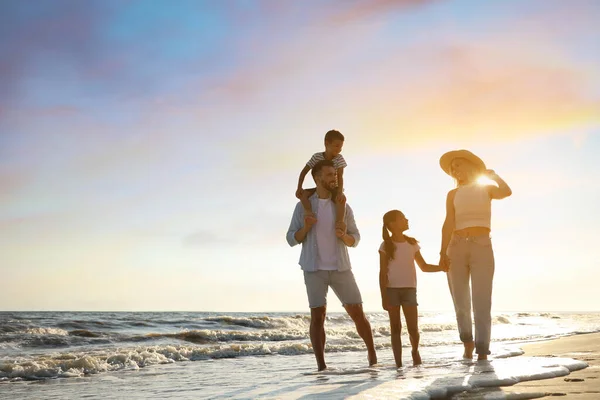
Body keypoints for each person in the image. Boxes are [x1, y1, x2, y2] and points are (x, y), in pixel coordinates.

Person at [287, 159, 377, 371]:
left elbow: (355, 238)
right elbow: (291, 238)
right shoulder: (303, 207)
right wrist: (306, 228)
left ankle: (372, 356)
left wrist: (343, 236)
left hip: (341, 268)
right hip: (313, 269)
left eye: (335, 175)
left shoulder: (343, 206)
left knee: (357, 313)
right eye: (329, 175)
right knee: (318, 317)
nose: (333, 179)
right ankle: (321, 367)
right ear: (317, 178)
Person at [438, 149, 512, 361]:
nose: (455, 171)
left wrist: (493, 176)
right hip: (456, 246)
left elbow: (506, 192)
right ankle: (467, 343)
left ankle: (482, 350)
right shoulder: (452, 194)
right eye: (452, 169)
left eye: (458, 166)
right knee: (460, 302)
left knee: (482, 301)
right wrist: (443, 252)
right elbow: (448, 223)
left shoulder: (486, 189)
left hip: (482, 246)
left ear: (469, 165)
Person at [380, 209, 448, 368]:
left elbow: (423, 267)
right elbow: (382, 272)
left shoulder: (412, 244)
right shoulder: (386, 245)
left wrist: (441, 267)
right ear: (392, 224)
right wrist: (384, 296)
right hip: (392, 291)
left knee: (413, 328)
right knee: (395, 328)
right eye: (402, 218)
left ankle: (415, 351)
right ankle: (398, 364)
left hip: (409, 290)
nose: (406, 220)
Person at [295, 130, 347, 235]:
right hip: (321, 186)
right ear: (326, 143)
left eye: (341, 147)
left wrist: (340, 192)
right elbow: (304, 171)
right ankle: (309, 213)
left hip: (334, 187)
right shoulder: (316, 157)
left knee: (341, 199)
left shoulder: (339, 159)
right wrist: (299, 187)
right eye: (336, 146)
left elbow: (340, 176)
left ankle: (339, 223)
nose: (339, 150)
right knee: (303, 195)